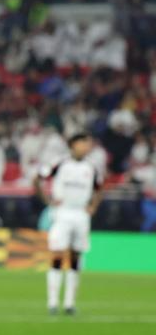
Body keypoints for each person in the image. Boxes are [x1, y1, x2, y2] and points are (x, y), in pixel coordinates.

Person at [33, 133, 102, 315]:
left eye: (88, 144)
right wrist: (47, 200)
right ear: (73, 145)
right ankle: (53, 303)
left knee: (75, 257)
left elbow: (100, 188)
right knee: (57, 254)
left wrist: (93, 206)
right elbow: (38, 178)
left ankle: (70, 303)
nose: (86, 147)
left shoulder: (91, 167)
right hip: (62, 212)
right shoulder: (60, 163)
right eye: (82, 143)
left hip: (81, 214)